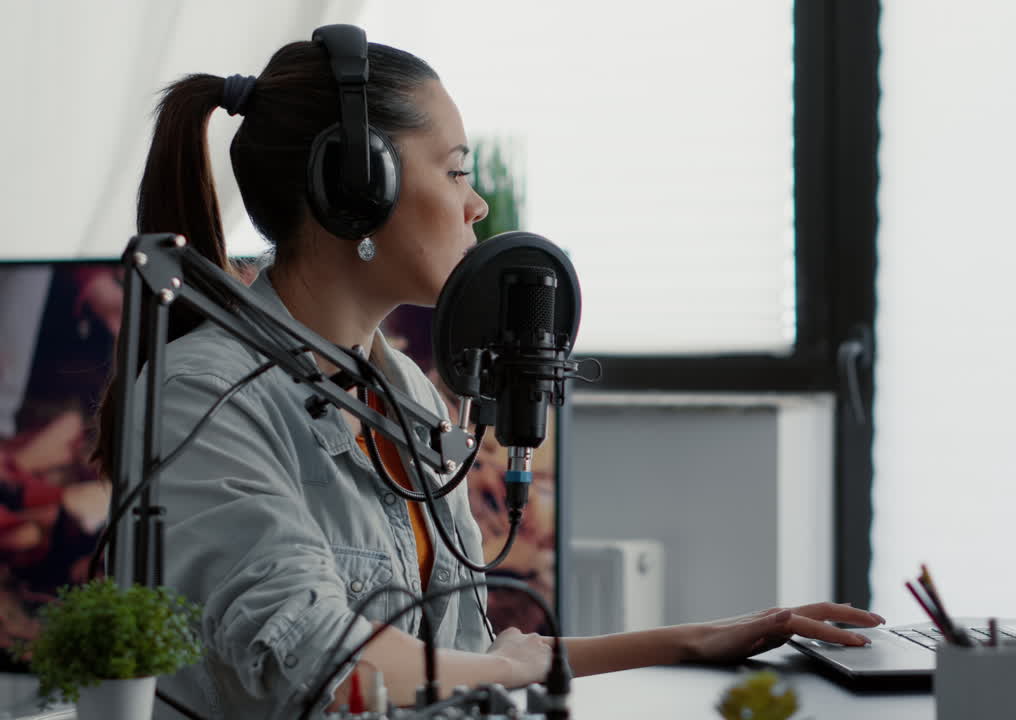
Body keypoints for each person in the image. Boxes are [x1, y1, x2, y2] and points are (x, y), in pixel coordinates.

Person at [91, 28, 885, 718]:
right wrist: (508, 670)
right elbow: (327, 660)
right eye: (457, 170)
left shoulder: (395, 393)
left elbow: (461, 658)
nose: (476, 206)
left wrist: (690, 639)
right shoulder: (205, 395)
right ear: (356, 187)